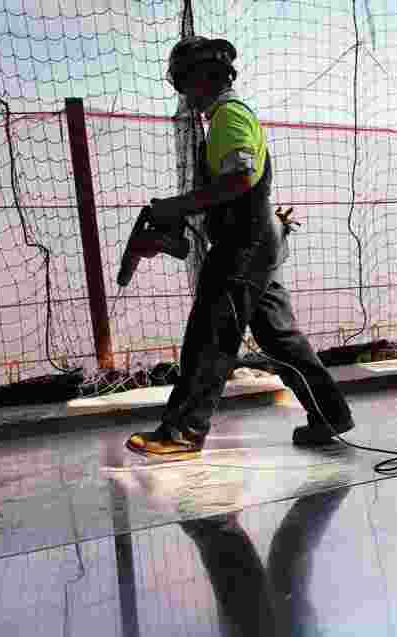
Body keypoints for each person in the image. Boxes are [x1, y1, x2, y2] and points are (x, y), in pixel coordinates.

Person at [126, 36, 354, 462]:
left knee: (211, 336)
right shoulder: (228, 117)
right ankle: (330, 415)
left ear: (199, 78)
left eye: (182, 83)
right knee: (280, 338)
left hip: (244, 246)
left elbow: (240, 181)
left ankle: (182, 432)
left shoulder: (229, 117)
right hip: (258, 240)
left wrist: (177, 205)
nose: (182, 93)